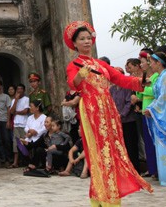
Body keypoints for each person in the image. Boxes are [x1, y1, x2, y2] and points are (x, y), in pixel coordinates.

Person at [64, 20, 152, 206]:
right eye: (82, 39)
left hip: (108, 109)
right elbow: (73, 84)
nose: (87, 41)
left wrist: (140, 82)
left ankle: (106, 195)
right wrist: (81, 75)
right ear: (75, 43)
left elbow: (120, 79)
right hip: (91, 108)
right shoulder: (74, 64)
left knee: (112, 151)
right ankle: (103, 196)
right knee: (99, 153)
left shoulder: (100, 64)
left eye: (89, 38)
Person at [144, 52, 166, 186]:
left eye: (152, 62)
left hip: (165, 116)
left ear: (159, 63)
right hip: (160, 114)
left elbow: (165, 97)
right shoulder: (161, 77)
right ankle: (165, 177)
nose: (151, 65)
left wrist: (151, 108)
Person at [133, 51, 158, 179]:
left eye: (142, 62)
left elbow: (154, 91)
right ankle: (152, 168)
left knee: (154, 141)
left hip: (153, 112)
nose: (141, 64)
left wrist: (143, 88)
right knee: (147, 141)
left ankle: (158, 169)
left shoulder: (156, 77)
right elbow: (139, 94)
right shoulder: (146, 77)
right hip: (145, 112)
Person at [109, 67, 139, 171]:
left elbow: (129, 103)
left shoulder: (127, 87)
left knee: (131, 145)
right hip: (116, 122)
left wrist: (121, 115)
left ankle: (135, 169)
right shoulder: (111, 89)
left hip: (128, 120)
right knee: (120, 146)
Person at [8, 84, 29, 169]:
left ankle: (28, 161)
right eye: (18, 89)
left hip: (24, 124)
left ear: (24, 90)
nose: (19, 90)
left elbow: (25, 111)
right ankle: (15, 162)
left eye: (21, 89)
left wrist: (17, 112)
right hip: (16, 124)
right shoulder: (14, 100)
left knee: (25, 142)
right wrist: (16, 100)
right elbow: (12, 111)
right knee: (15, 144)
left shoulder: (26, 99)